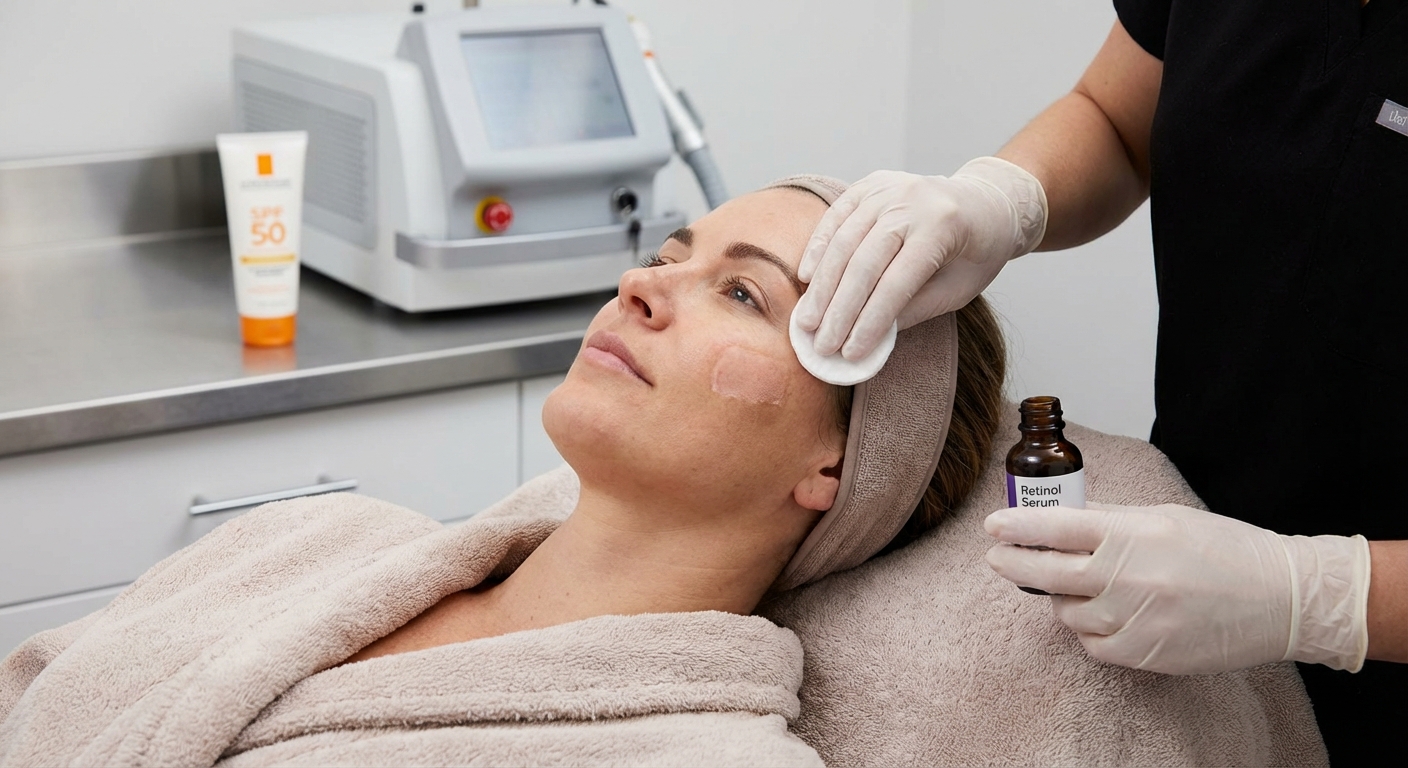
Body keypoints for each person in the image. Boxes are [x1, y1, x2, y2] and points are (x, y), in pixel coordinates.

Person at [0, 177, 1005, 767]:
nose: (640, 285)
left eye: (741, 293)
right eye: (668, 253)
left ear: (838, 462)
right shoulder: (314, 539)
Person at [791, 1, 1406, 761]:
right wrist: (1003, 197)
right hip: (1191, 565)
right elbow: (1115, 120)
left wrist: (1325, 597)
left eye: (741, 293)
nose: (638, 293)